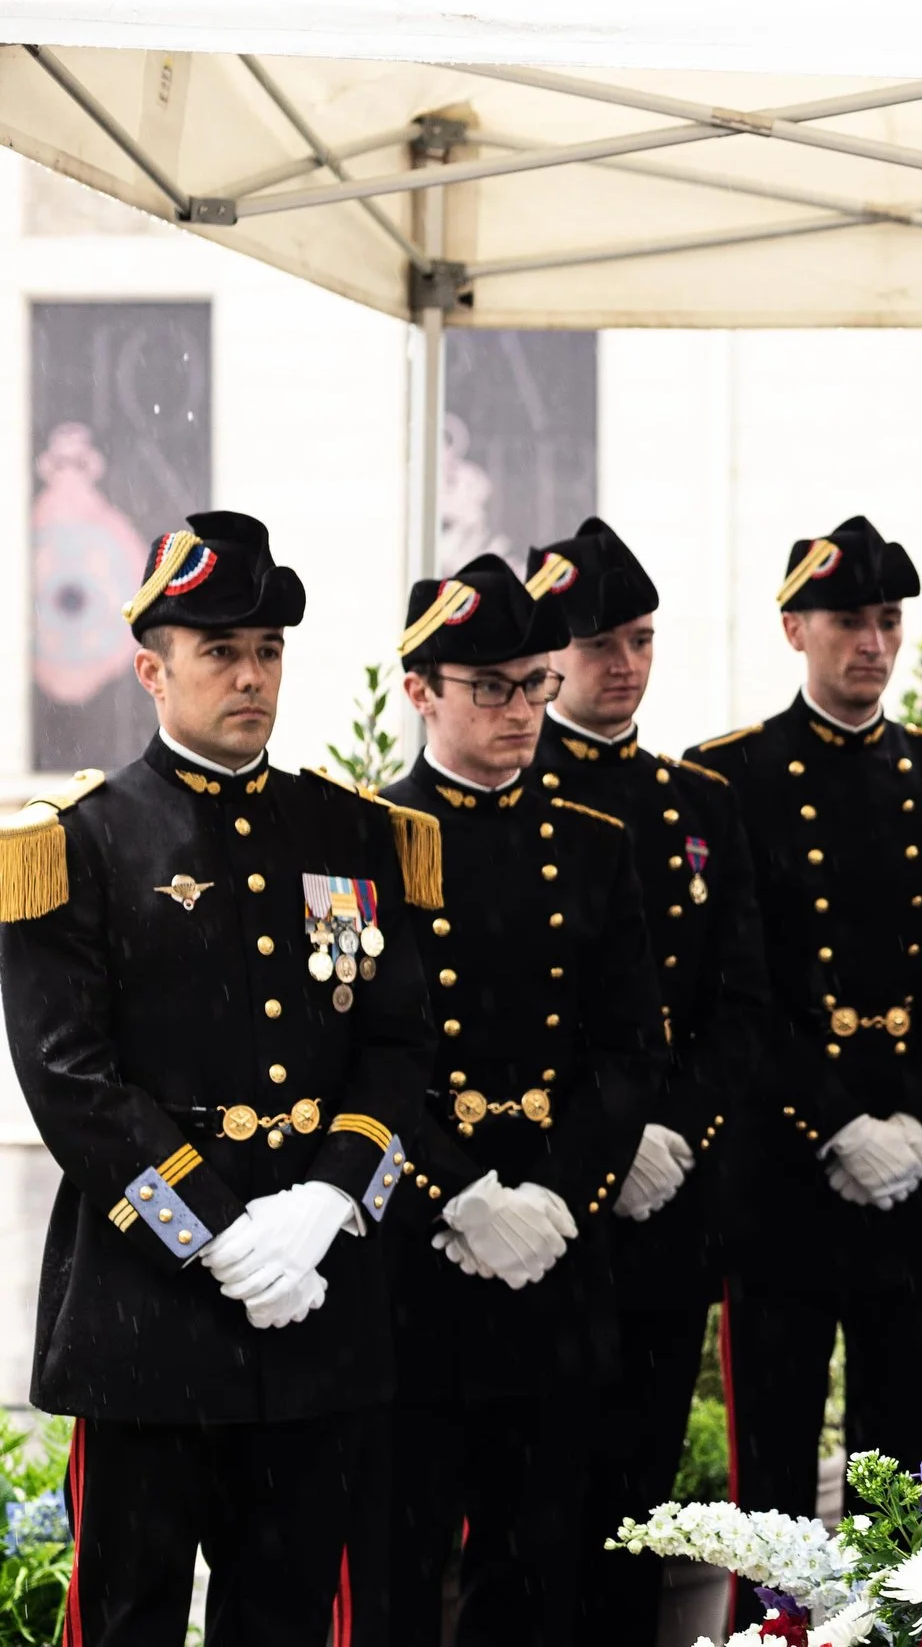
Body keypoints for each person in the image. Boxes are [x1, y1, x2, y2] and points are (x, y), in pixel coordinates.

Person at [0, 511, 434, 1647]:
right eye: (220, 651)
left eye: (268, 650)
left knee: (284, 1617)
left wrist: (331, 1195)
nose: (251, 675)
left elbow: (401, 1044)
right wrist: (223, 1233)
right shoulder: (80, 841)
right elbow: (69, 1078)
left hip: (315, 1302)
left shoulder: (353, 831)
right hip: (149, 1315)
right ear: (151, 667)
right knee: (131, 1616)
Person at [693, 516, 922, 1556]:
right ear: (793, 629)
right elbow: (734, 987)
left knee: (909, 1475)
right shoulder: (729, 775)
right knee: (771, 1483)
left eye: (888, 619)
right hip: (785, 1170)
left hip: (918, 1172)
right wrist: (832, 1122)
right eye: (845, 621)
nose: (871, 642)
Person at [380, 554, 667, 1647]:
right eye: (489, 686)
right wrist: (452, 1197)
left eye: (534, 682)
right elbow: (359, 1056)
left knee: (536, 1568)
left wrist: (559, 1194)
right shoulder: (368, 839)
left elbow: (629, 1046)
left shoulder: (592, 847)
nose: (520, 710)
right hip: (421, 1258)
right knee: (403, 1567)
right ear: (420, 691)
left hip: (554, 1252)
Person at [523, 519, 769, 1643]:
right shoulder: (508, 796)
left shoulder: (699, 800)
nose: (623, 665)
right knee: (531, 1508)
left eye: (641, 640)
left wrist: (675, 1132)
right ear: (548, 653)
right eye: (598, 643)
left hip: (668, 1199)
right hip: (539, 1205)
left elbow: (738, 1004)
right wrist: (599, 1151)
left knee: (638, 1499)